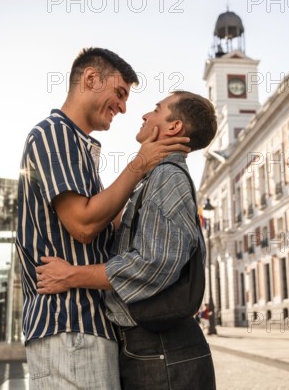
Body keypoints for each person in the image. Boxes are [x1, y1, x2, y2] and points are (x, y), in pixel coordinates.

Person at [15, 48, 191, 390]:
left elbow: (109, 228)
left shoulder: (79, 146)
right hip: (68, 326)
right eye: (120, 93)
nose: (124, 107)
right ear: (91, 79)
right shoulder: (53, 133)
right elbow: (83, 226)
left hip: (84, 329)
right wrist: (140, 164)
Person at [36, 90, 218, 389]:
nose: (145, 115)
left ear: (173, 127)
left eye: (157, 109)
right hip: (153, 349)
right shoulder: (155, 176)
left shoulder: (167, 177)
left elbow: (152, 263)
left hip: (162, 351)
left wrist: (70, 276)